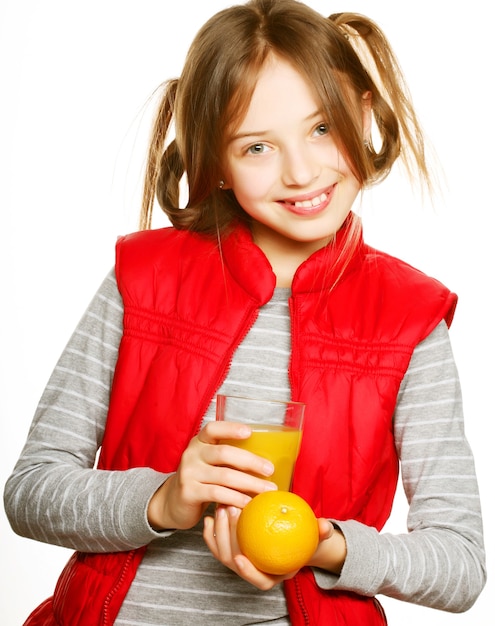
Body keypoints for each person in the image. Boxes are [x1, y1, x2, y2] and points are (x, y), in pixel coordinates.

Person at [3, 0, 486, 624]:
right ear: (219, 166)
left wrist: (323, 543)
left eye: (321, 127)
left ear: (364, 112)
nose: (302, 171)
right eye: (257, 147)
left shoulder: (410, 318)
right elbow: (31, 490)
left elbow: (461, 564)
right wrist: (165, 498)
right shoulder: (141, 278)